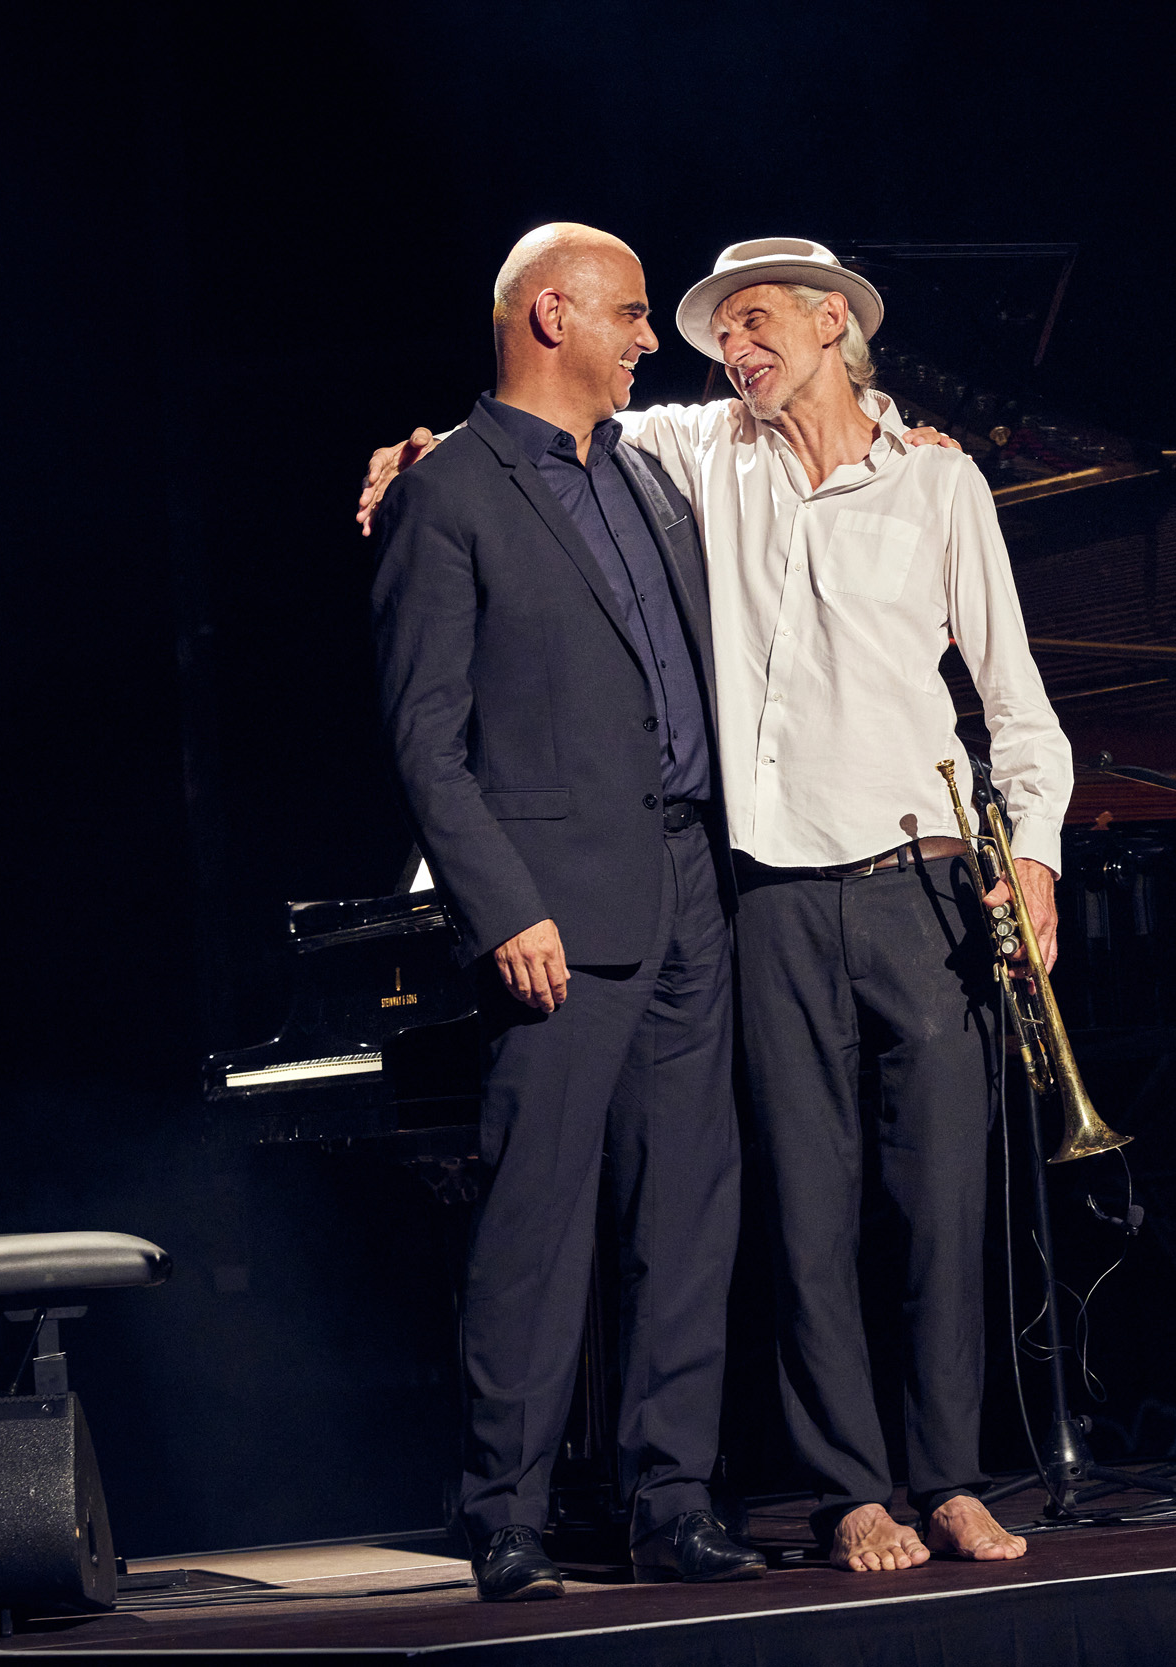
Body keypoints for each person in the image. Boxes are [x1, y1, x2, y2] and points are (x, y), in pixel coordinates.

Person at [361, 238, 1072, 1574]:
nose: (705, 348)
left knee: (827, 1213)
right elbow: (511, 467)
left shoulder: (883, 477)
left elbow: (1016, 699)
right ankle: (651, 1504)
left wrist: (1032, 851)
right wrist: (413, 454)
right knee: (721, 1217)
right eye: (683, 326)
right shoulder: (672, 458)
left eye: (748, 323)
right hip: (701, 899)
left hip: (830, 885)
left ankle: (825, 1488)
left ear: (830, 322)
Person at [369, 223, 762, 1601]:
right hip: (552, 913)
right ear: (551, 315)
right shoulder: (447, 493)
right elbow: (425, 741)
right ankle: (507, 1514)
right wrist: (502, 908)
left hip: (688, 886)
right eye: (633, 312)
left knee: (688, 1212)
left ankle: (673, 1501)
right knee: (535, 1219)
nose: (651, 337)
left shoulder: (645, 472)